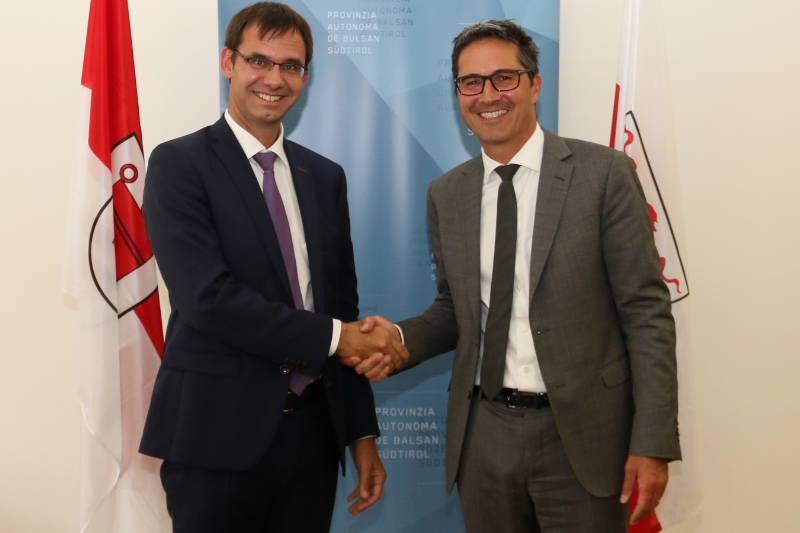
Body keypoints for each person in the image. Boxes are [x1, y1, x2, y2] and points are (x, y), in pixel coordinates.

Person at [357, 20, 681, 533]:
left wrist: (652, 440)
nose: (488, 95)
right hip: (484, 438)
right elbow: (456, 310)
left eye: (504, 78)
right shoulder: (447, 194)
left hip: (585, 438)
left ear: (535, 84)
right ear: (458, 94)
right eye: (471, 82)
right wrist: (397, 339)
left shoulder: (604, 174)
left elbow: (646, 314)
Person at [138, 3, 408, 531]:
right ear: (228, 62)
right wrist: (338, 338)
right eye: (259, 60)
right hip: (215, 440)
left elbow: (342, 310)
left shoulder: (324, 177)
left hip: (312, 441)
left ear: (305, 76)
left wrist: (360, 434)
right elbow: (207, 300)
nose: (274, 79)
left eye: (291, 66)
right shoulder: (178, 164)